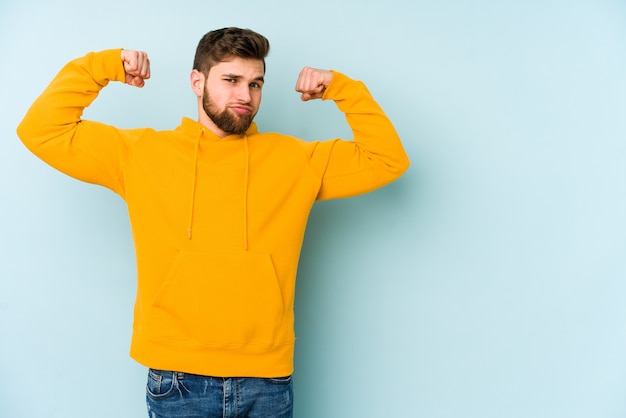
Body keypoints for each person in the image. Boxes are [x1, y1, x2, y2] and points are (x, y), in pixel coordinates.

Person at [17, 27, 409, 417]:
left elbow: (387, 159)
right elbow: (41, 130)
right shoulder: (141, 155)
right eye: (231, 80)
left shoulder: (296, 161)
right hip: (177, 377)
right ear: (197, 81)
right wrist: (102, 66)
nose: (245, 95)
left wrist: (343, 88)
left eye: (256, 83)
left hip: (267, 378)